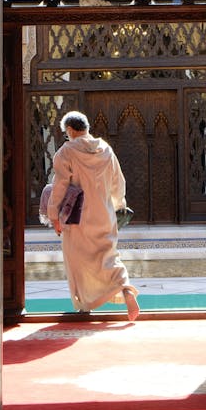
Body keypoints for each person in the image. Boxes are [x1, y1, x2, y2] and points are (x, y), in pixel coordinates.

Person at [46, 110, 140, 321]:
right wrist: (118, 205)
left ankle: (85, 304)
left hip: (77, 218)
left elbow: (59, 186)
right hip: (104, 214)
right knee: (109, 256)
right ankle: (125, 288)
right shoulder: (105, 149)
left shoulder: (66, 152)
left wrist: (53, 215)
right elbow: (118, 182)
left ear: (70, 130)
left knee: (78, 261)